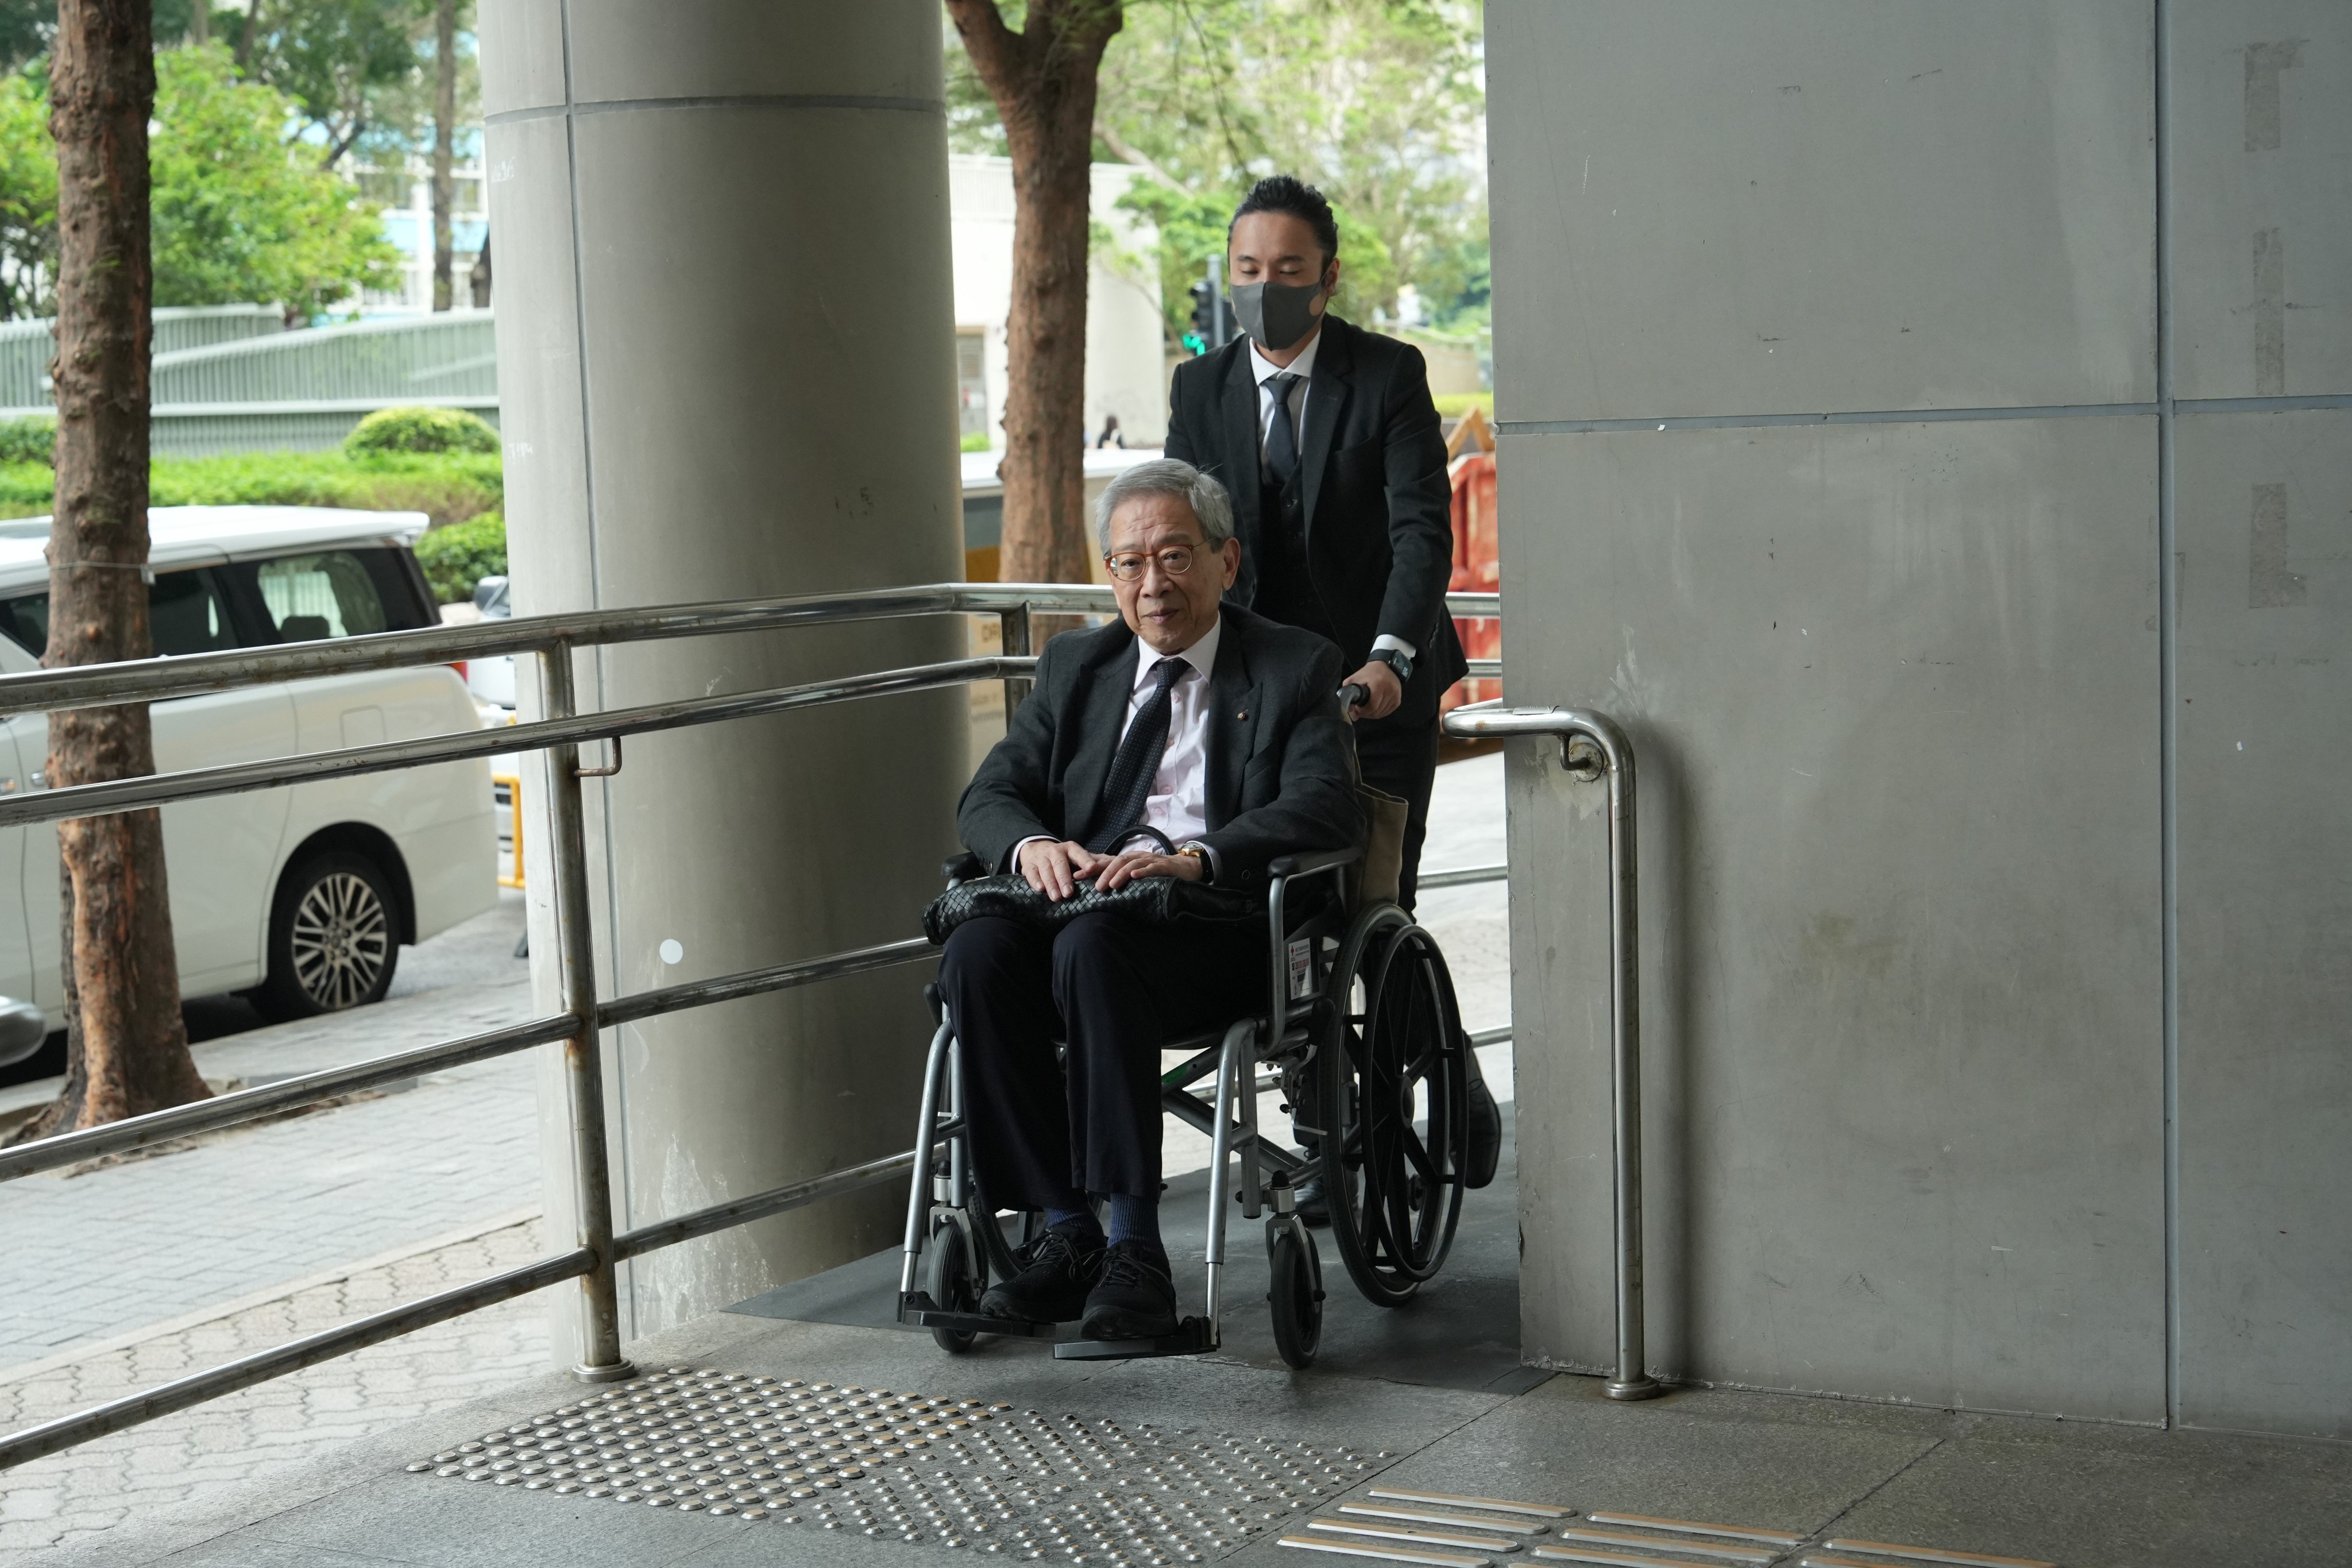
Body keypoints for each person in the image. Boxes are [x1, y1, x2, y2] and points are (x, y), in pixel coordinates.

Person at [942, 457, 1362, 1342]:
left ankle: (1137, 1251)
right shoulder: (1076, 667)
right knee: (978, 952)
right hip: (1086, 914)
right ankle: (1067, 1235)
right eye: (1129, 563)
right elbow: (989, 794)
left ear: (1227, 561)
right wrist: (1034, 845)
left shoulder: (1292, 665)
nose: (1152, 583)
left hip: (1219, 930)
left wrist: (1199, 858)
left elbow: (1325, 802)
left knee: (1089, 950)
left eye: (1174, 556)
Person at [1164, 174, 1501, 1204]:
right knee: (1285, 914)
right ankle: (1353, 1124)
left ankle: (1394, 1106)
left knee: (1373, 901)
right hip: (1263, 700)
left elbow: (1419, 531)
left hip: (1377, 688)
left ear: (1327, 278)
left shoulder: (1386, 373)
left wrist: (1393, 655)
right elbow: (1185, 537)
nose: (1266, 289)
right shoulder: (1200, 387)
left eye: (1289, 272)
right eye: (1248, 272)